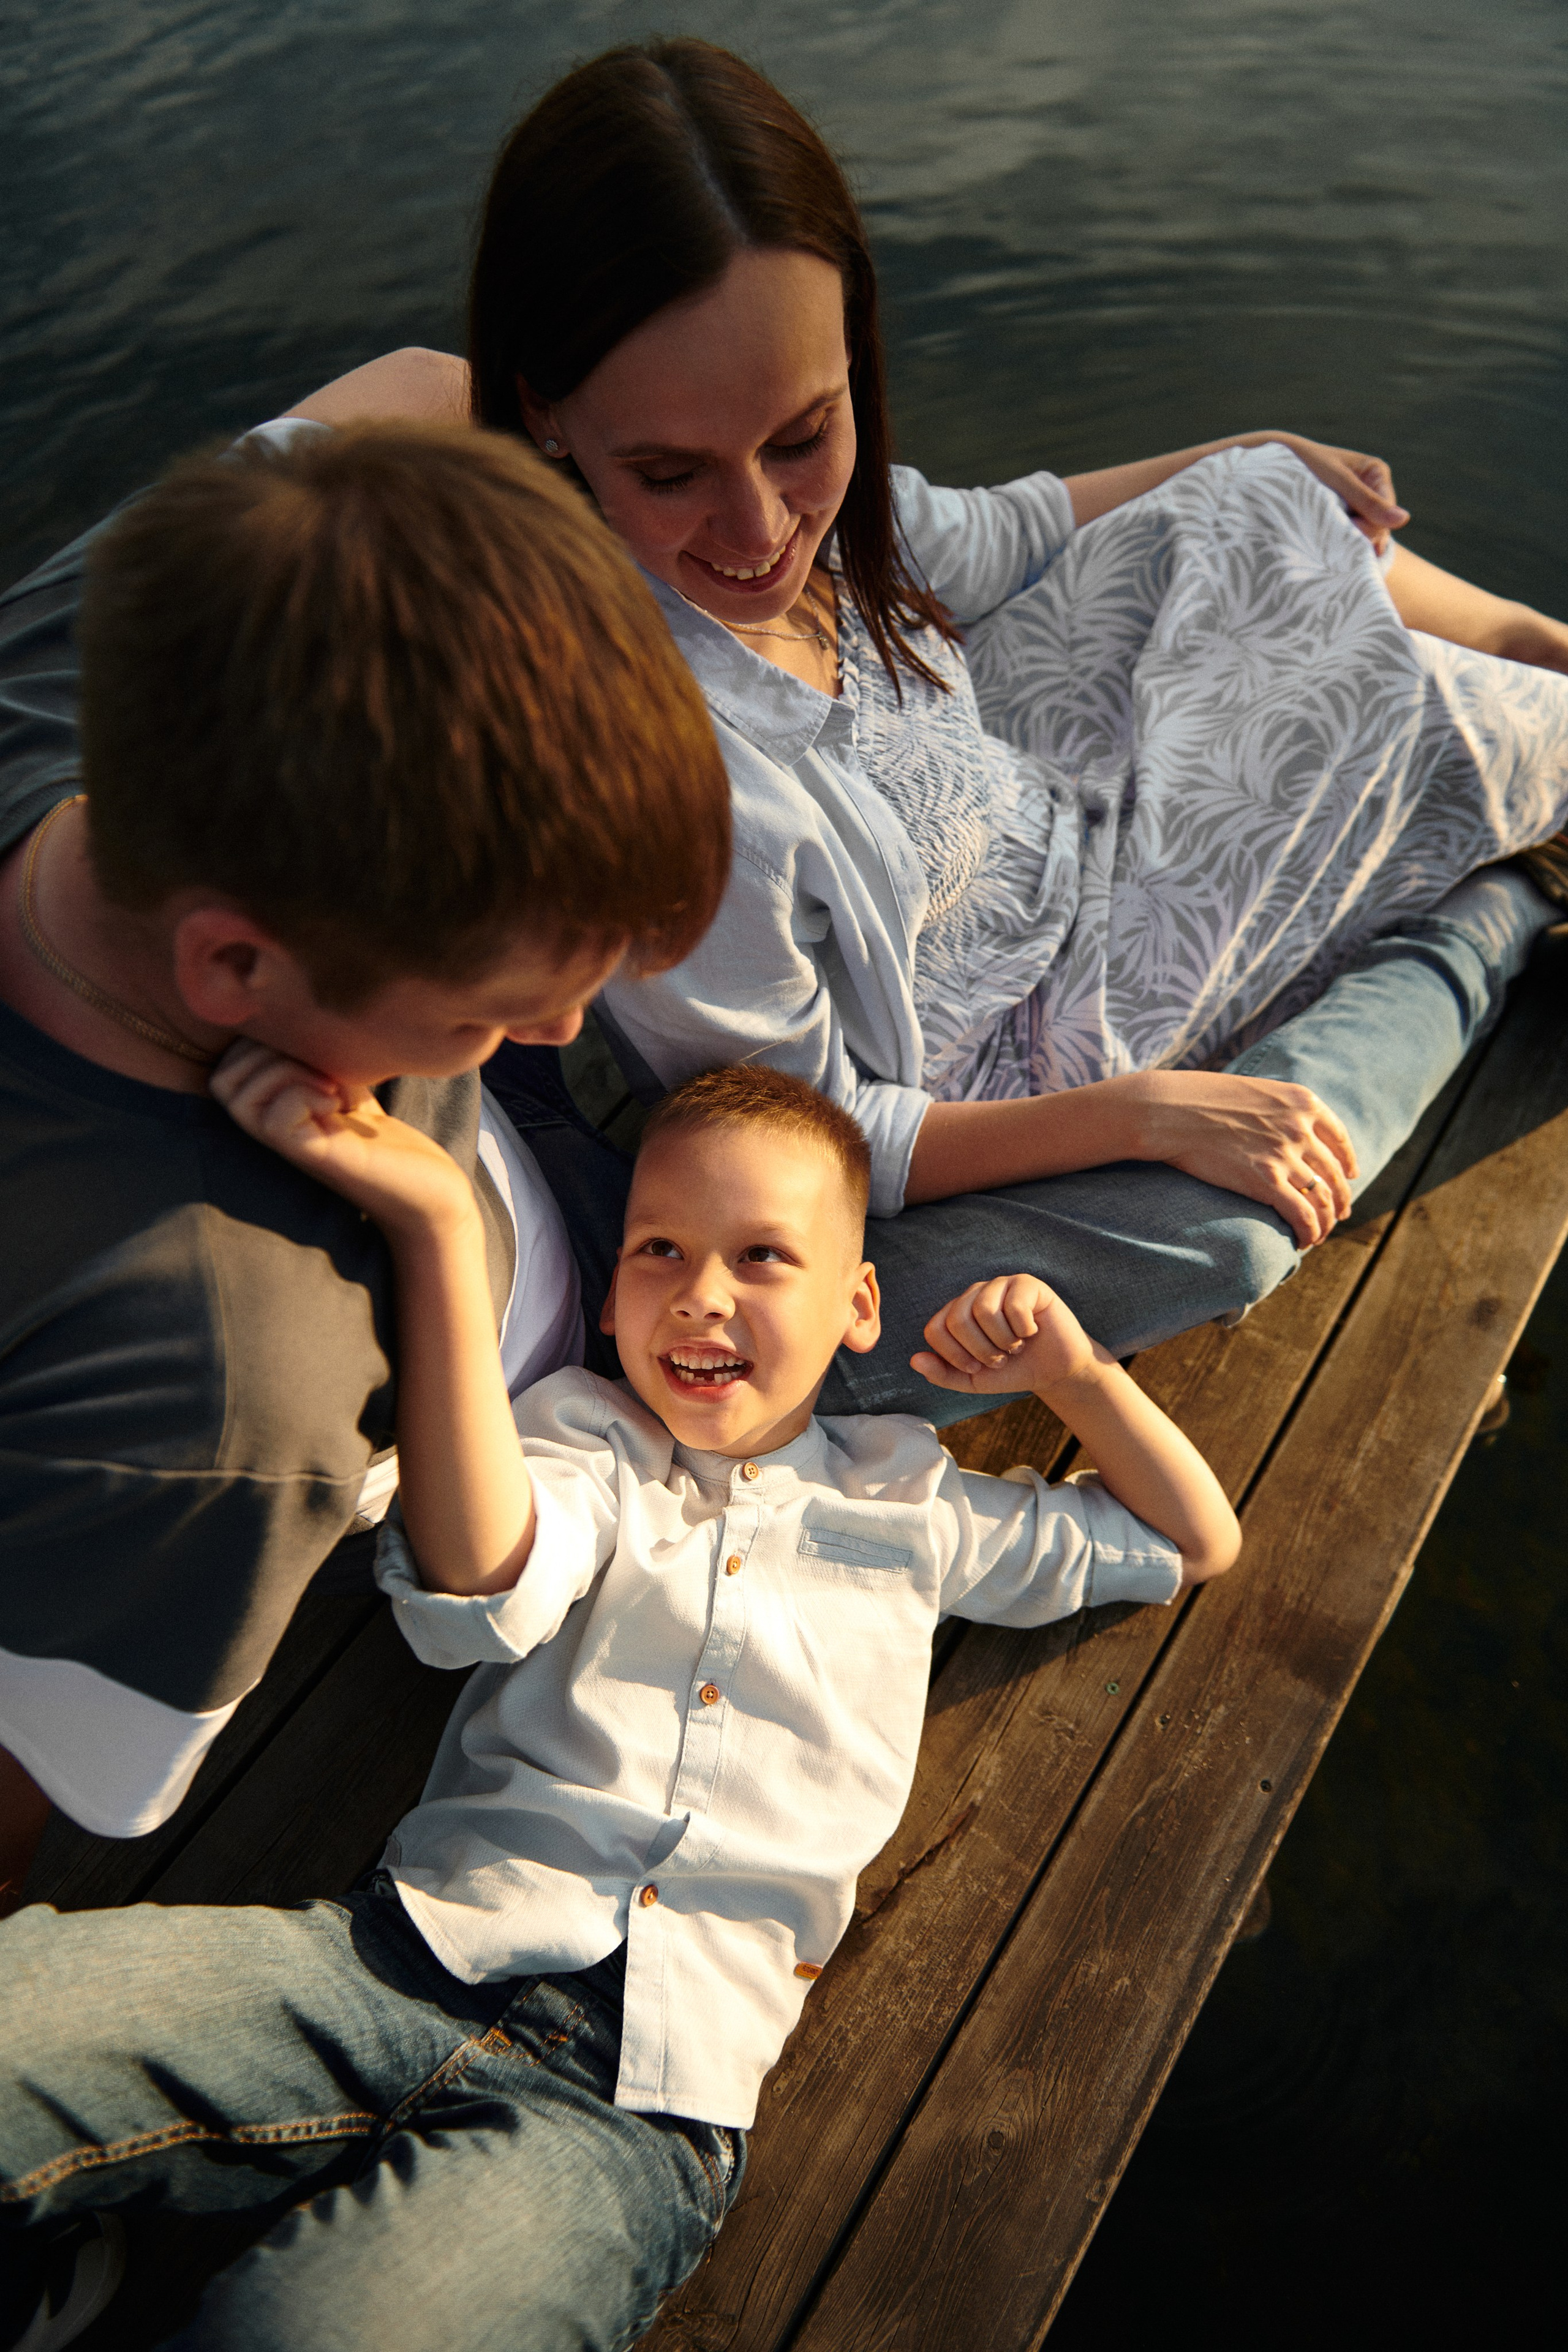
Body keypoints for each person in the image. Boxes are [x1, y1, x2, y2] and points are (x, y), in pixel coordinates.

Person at [301, 36, 1568, 1419]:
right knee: (1441, 729)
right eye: (668, 473)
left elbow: (997, 531)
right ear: (542, 413)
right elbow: (821, 1126)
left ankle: (1535, 657)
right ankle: (1508, 812)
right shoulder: (654, 781)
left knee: (1257, 500)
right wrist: (1147, 1113)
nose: (761, 528)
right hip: (1049, 1017)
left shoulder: (816, 523)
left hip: (1035, 791)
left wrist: (1242, 448)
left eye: (802, 433)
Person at [0, 1061, 1239, 2351]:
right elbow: (483, 1585)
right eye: (659, 1249)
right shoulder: (582, 1440)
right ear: (611, 1291)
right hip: (400, 1962)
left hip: (630, 2108)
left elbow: (1187, 1543)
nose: (700, 1292)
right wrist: (434, 1227)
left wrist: (1076, 1373)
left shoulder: (911, 1505)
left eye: (762, 1256)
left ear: (857, 1302)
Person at [0, 420, 731, 1909]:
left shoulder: (140, 652)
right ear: (233, 963)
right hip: (539, 1421)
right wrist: (437, 1243)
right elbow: (22, 1774)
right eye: (484, 1014)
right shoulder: (213, 1399)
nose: (566, 1027)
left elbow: (362, 427)